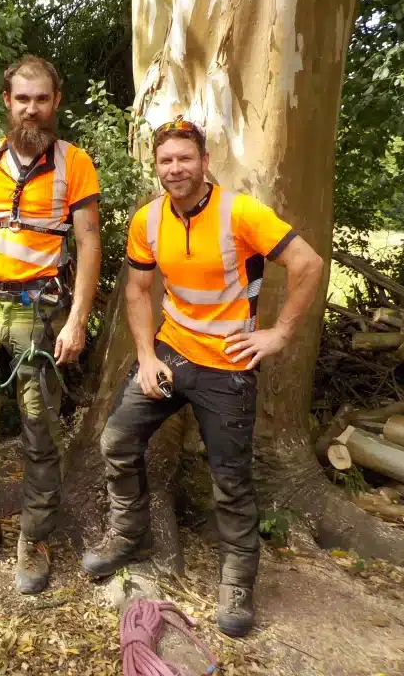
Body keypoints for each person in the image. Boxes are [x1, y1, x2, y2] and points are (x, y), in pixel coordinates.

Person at [81, 118, 324, 636]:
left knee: (230, 479)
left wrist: (279, 333)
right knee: (116, 440)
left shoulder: (242, 213)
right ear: (157, 166)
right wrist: (146, 356)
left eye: (184, 158)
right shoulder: (147, 220)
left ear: (204, 161)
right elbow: (136, 293)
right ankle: (129, 535)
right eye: (166, 161)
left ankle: (237, 580)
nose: (175, 169)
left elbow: (308, 263)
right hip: (172, 353)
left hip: (230, 366)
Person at [0, 55, 102, 595]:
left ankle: (35, 537)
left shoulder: (76, 163)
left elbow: (90, 242)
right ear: (7, 101)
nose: (32, 107)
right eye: (22, 98)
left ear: (56, 102)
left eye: (42, 98)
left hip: (40, 314)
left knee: (39, 431)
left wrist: (77, 321)